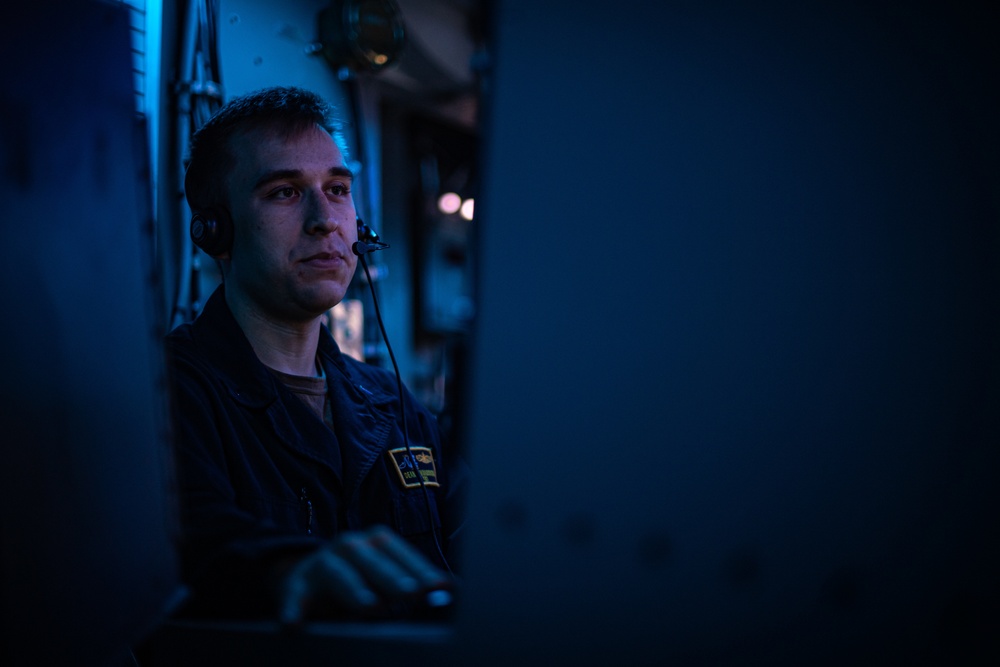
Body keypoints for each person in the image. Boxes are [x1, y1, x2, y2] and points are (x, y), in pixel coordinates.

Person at [165, 86, 462, 623]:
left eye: (338, 189)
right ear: (216, 232)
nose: (325, 219)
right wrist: (284, 569)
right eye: (284, 191)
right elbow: (194, 541)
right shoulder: (169, 392)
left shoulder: (395, 405)